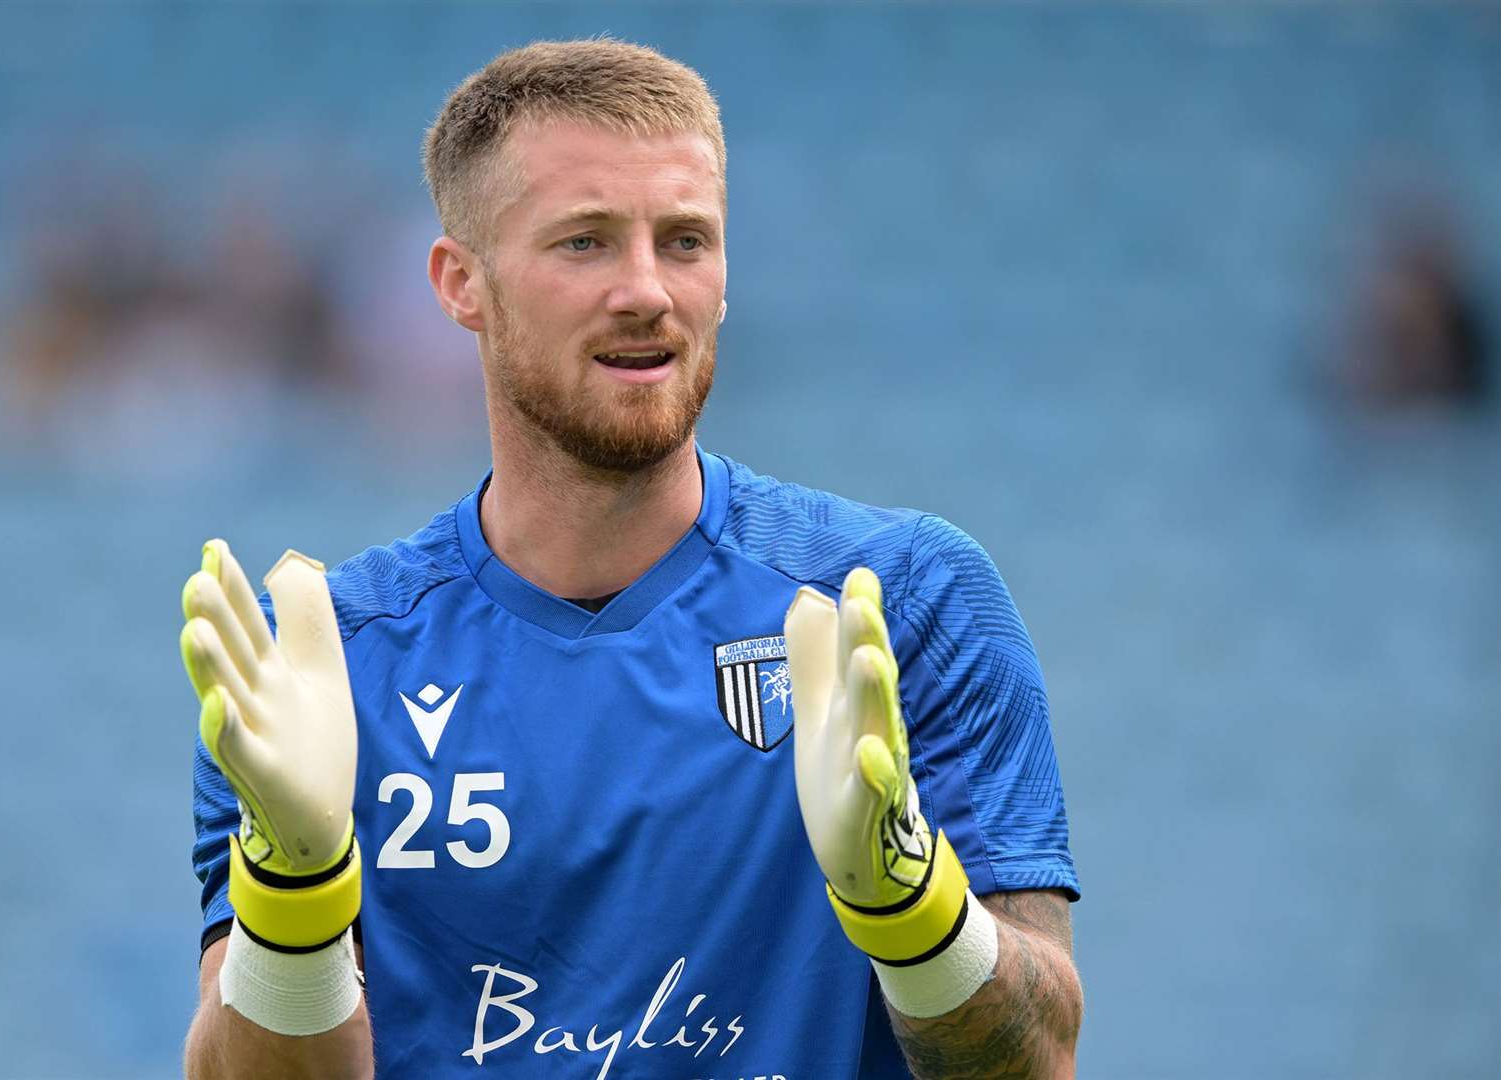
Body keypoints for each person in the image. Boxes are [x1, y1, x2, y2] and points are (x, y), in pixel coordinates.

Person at [179, 40, 1082, 1079]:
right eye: (585, 244)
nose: (648, 290)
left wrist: (910, 908)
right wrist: (293, 892)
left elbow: (1036, 1061)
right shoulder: (319, 666)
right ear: (460, 283)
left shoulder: (900, 603)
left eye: (687, 241)